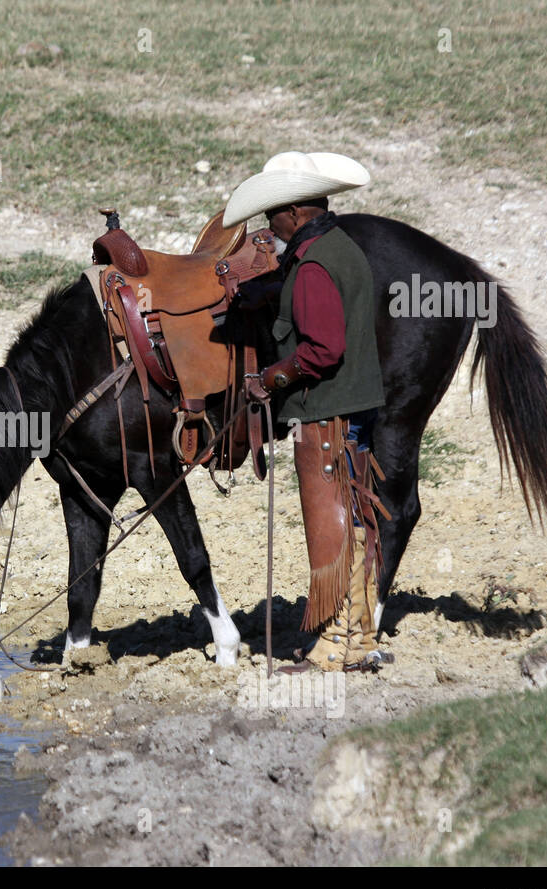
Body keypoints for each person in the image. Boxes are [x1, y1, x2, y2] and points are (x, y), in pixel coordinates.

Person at [224, 151, 392, 672]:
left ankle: (333, 646)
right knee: (359, 522)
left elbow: (323, 349)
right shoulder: (340, 249)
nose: (267, 225)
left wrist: (270, 379)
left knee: (331, 526)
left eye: (273, 214)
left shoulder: (315, 265)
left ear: (296, 212)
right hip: (355, 410)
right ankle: (362, 638)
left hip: (325, 416)